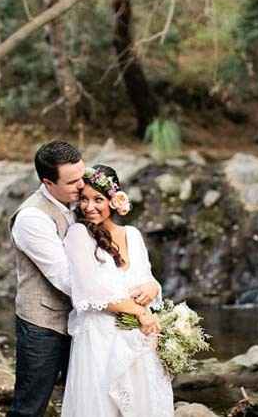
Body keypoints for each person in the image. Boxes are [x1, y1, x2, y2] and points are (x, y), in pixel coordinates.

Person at [61, 164, 174, 417]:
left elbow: (147, 277)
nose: (89, 207)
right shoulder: (78, 235)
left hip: (138, 338)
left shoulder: (132, 235)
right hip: (100, 338)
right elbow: (89, 291)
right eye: (84, 200)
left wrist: (152, 287)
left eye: (98, 199)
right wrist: (140, 313)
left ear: (114, 200)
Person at [7, 140, 85, 417]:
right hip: (43, 324)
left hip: (81, 319)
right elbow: (64, 277)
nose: (81, 186)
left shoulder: (80, 201)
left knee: (83, 397)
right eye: (72, 182)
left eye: (82, 177)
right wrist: (114, 300)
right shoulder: (32, 218)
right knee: (30, 406)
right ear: (47, 183)